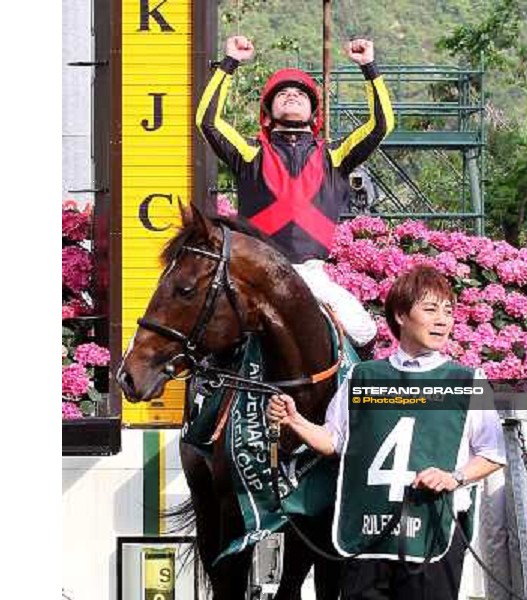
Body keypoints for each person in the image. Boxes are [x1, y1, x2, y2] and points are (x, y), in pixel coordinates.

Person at [267, 265, 507, 600]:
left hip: (432, 536)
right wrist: (296, 421)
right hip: (368, 538)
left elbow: (493, 454)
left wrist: (454, 477)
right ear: (400, 315)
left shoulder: (469, 380)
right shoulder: (362, 377)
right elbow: (334, 441)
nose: (443, 320)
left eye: (448, 312)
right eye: (430, 309)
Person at [196, 35, 395, 353]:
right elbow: (208, 122)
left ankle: (347, 401)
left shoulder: (334, 157)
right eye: (283, 93)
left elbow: (380, 126)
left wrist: (369, 68)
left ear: (314, 114)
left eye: (300, 93)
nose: (292, 95)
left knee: (364, 329)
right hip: (256, 269)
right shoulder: (250, 154)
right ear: (267, 111)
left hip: (310, 275)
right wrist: (229, 63)